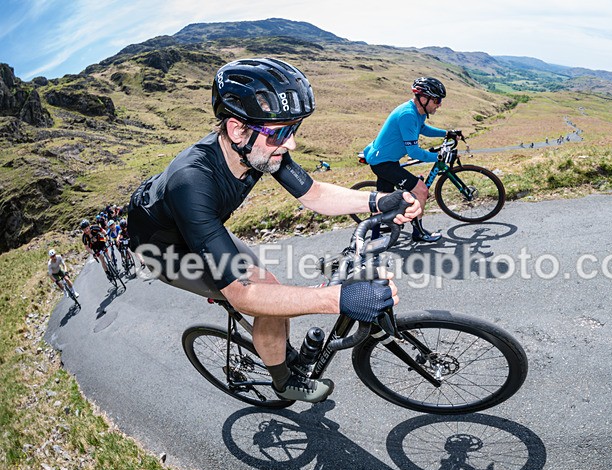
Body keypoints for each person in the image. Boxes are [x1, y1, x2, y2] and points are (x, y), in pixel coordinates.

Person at [127, 57, 421, 404]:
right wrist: (338, 298)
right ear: (237, 130)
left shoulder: (259, 147)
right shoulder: (191, 181)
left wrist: (378, 201)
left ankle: (277, 350)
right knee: (264, 298)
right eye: (282, 133)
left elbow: (315, 194)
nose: (291, 143)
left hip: (199, 230)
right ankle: (283, 382)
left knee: (272, 290)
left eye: (293, 130)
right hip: (163, 253)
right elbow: (243, 294)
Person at [362, 77, 459, 243]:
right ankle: (419, 233)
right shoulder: (407, 114)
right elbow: (414, 152)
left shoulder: (417, 112)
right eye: (436, 100)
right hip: (383, 162)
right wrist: (440, 157)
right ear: (423, 98)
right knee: (421, 190)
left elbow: (423, 128)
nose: (439, 104)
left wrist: (446, 133)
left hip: (384, 158)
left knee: (383, 198)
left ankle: (376, 236)